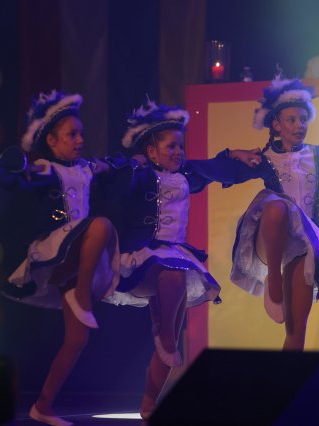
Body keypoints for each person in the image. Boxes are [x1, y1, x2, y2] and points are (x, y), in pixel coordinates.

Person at [190, 77, 319, 350]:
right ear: (276, 125)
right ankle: (274, 278)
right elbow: (220, 171)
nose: (299, 125)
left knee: (296, 329)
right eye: (291, 120)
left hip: (304, 246)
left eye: (303, 119)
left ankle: (289, 376)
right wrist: (230, 153)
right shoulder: (263, 159)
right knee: (277, 206)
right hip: (272, 240)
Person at [0, 91, 119, 426]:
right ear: (51, 141)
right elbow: (21, 177)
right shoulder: (45, 168)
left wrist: (130, 162)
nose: (80, 140)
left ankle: (43, 406)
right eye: (71, 135)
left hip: (78, 255)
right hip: (55, 248)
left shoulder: (87, 167)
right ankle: (82, 294)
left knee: (78, 338)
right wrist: (16, 168)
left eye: (81, 134)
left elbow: (115, 165)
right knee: (102, 224)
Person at [103, 100, 228, 419]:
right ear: (152, 151)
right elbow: (116, 185)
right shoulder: (142, 175)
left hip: (176, 255)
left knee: (173, 316)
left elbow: (216, 167)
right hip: (142, 260)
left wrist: (239, 157)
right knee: (173, 275)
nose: (178, 152)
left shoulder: (185, 176)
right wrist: (129, 165)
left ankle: (149, 404)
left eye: (180, 146)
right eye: (170, 146)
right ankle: (166, 334)